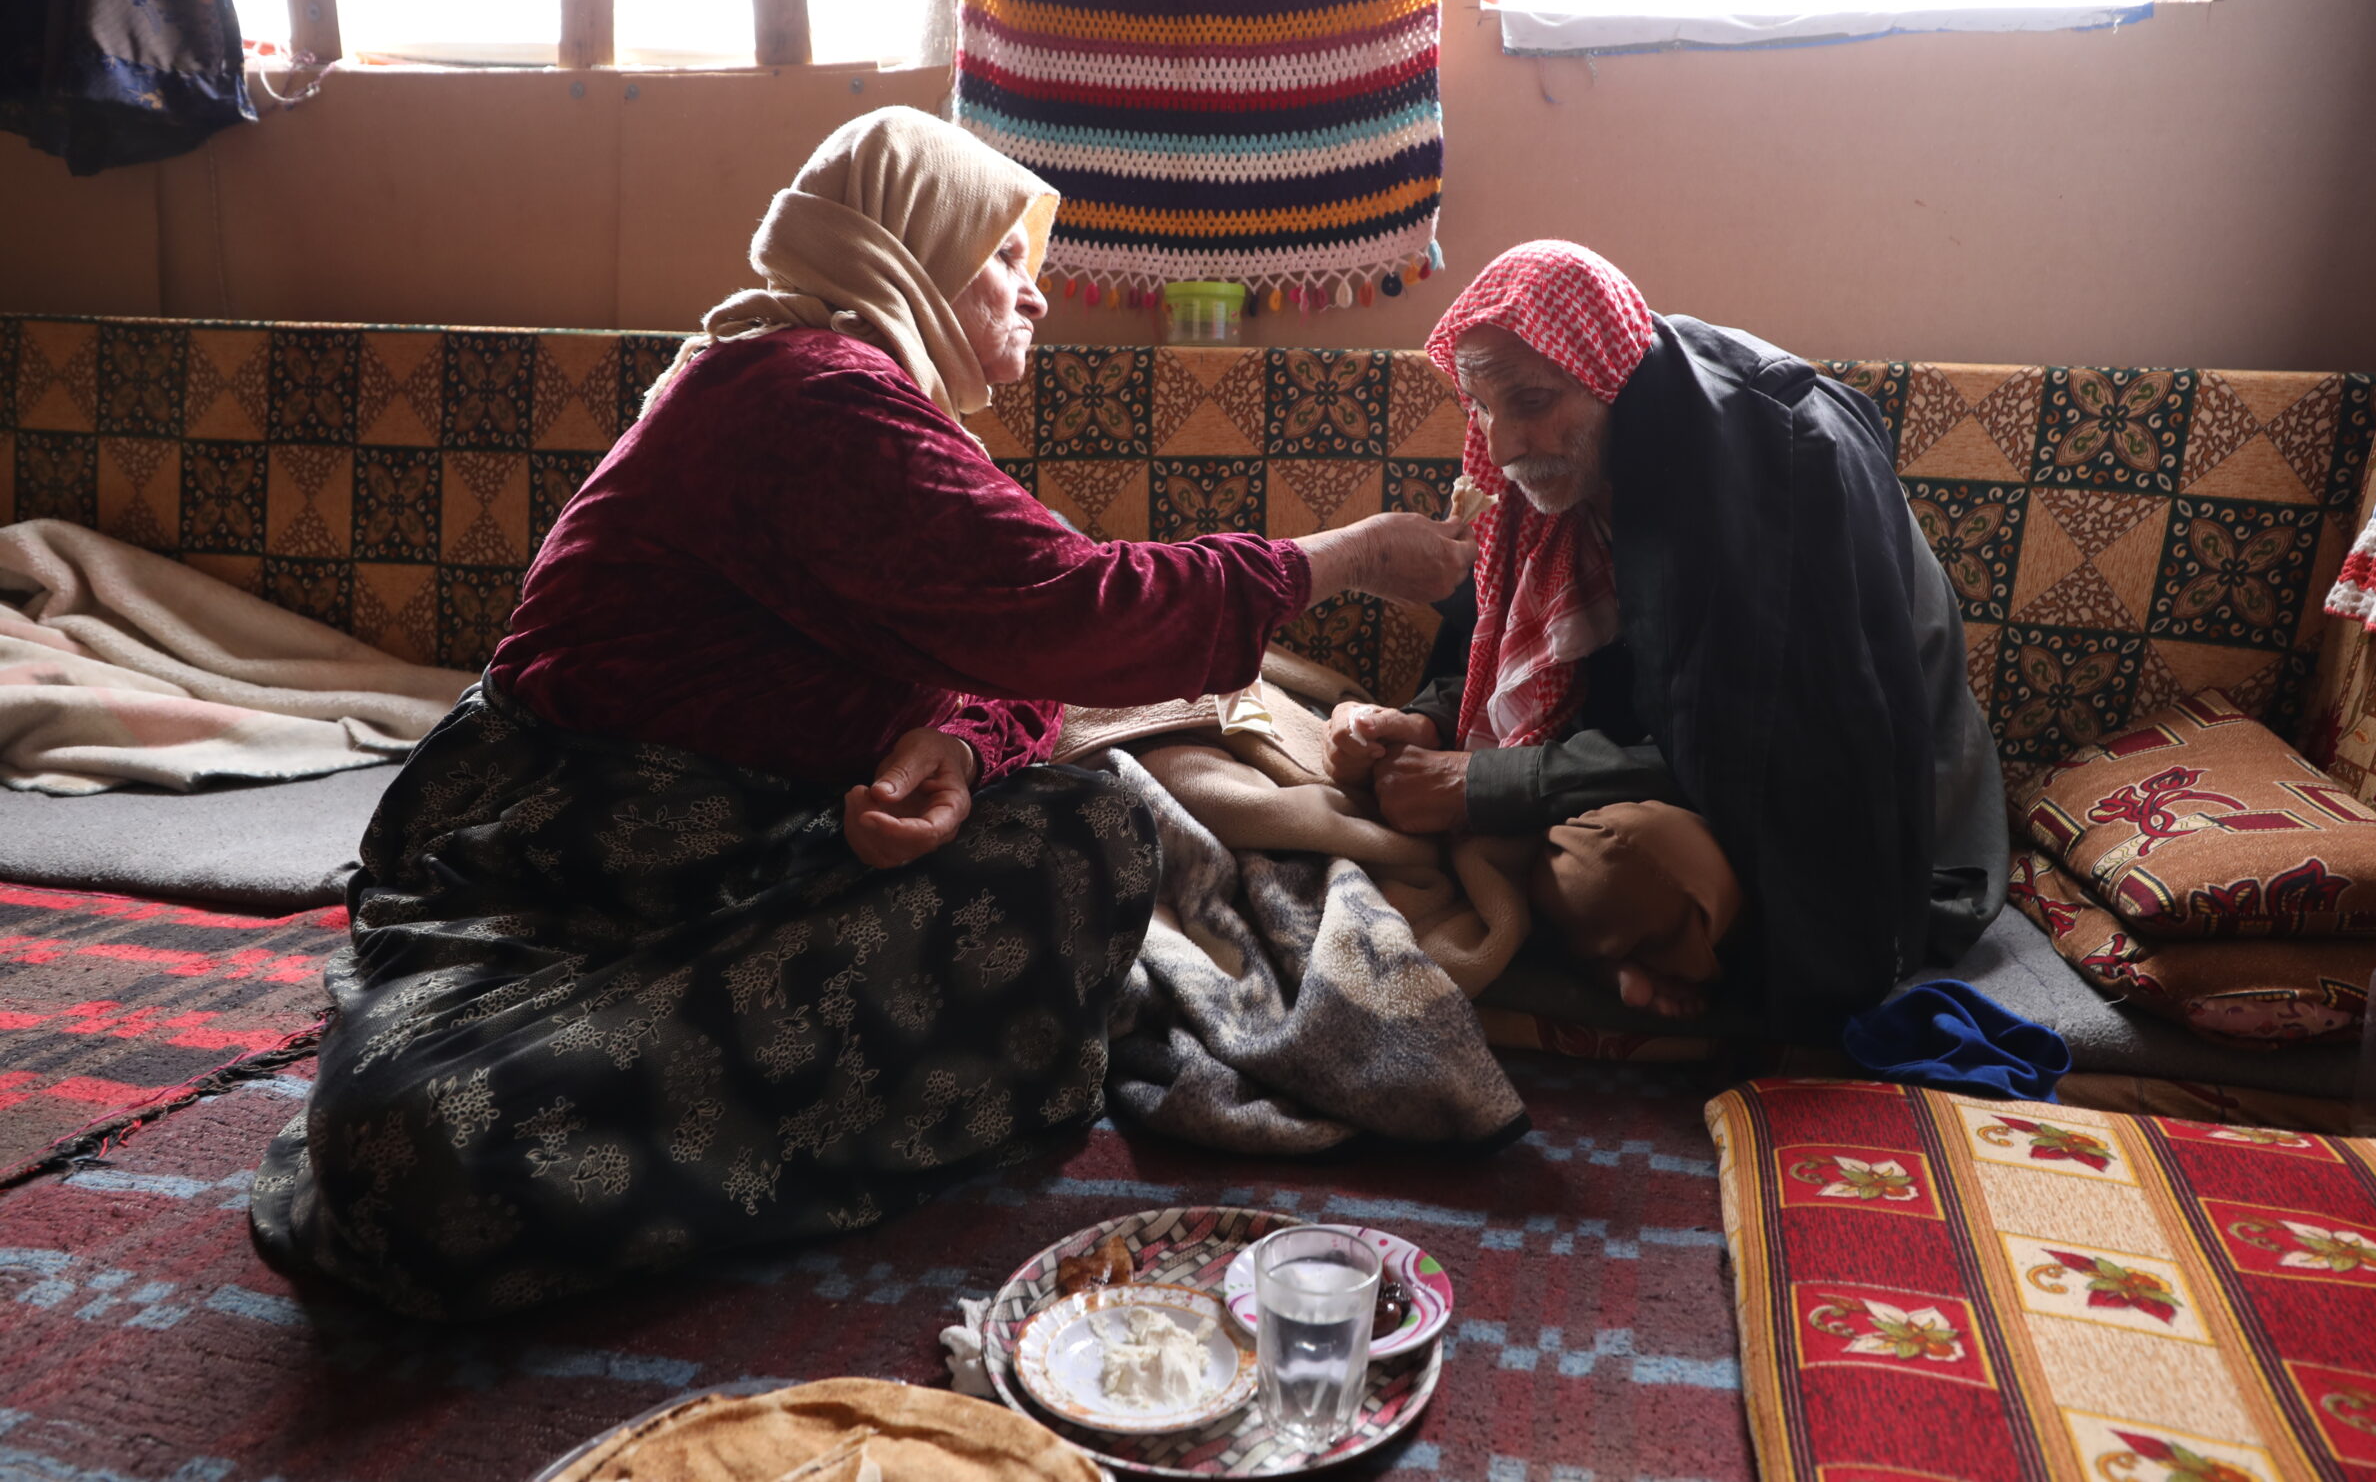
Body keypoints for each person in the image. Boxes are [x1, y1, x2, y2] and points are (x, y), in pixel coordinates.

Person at [247, 108, 1472, 1318]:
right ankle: (816, 1115)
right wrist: (1347, 553)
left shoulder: (848, 395)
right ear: (903, 253)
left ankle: (729, 1123)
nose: (1034, 296)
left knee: (1085, 834)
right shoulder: (806, 398)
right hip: (570, 870)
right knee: (407, 1152)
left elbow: (1002, 644)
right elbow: (1070, 612)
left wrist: (957, 743)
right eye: (1004, 259)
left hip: (757, 848)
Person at [1325, 242, 2007, 1036]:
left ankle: (1618, 938)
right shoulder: (1582, 456)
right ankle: (1617, 948)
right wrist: (1428, 723)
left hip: (1850, 823)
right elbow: (1544, 651)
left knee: (1625, 867)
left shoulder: (1765, 470)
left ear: (1611, 377)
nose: (1504, 444)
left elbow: (1761, 756)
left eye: (1534, 400)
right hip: (1673, 769)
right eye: (1482, 407)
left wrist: (1477, 784)